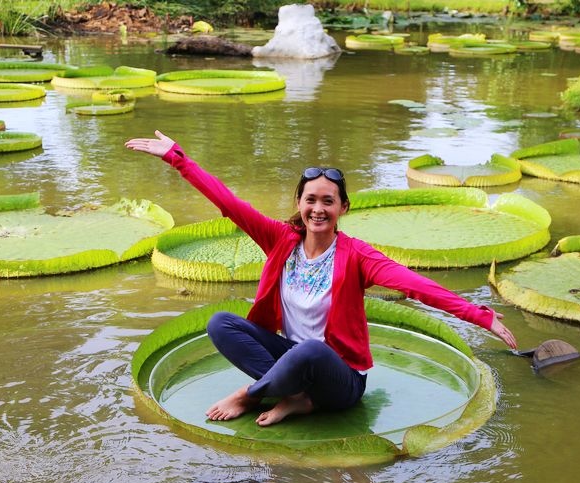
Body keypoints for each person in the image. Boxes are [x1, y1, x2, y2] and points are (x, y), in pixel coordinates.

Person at [125, 131, 517, 426]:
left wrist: (481, 316)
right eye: (311, 200)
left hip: (340, 377)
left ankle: (252, 395)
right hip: (294, 358)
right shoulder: (281, 240)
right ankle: (296, 396)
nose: (318, 209)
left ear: (342, 207)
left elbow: (416, 285)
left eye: (328, 201)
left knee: (309, 351)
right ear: (299, 203)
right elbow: (228, 202)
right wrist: (178, 159)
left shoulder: (358, 257)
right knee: (221, 323)